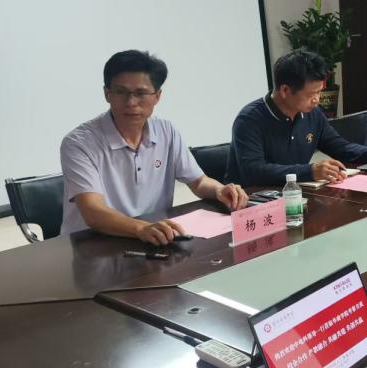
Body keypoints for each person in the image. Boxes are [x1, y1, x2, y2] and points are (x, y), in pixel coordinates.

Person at [60, 50, 248, 244]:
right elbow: (93, 212)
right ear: (107, 94)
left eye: (141, 93)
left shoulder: (166, 131)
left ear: (157, 96)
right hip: (94, 245)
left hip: (154, 238)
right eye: (121, 92)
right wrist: (141, 228)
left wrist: (219, 190)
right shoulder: (79, 143)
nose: (131, 102)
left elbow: (199, 182)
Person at [227, 49, 367, 187]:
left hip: (296, 195)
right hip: (254, 203)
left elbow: (340, 147)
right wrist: (309, 171)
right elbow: (254, 172)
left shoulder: (312, 113)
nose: (317, 100)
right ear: (285, 90)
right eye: (311, 94)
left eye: (319, 92)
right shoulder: (249, 120)